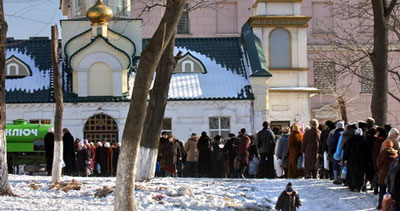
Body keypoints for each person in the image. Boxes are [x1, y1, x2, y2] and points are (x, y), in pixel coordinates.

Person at [376, 141, 398, 209]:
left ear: (385, 145)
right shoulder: (395, 153)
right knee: (390, 192)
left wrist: (381, 169)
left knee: (382, 191)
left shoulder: (383, 153)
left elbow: (379, 163)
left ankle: (380, 205)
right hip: (392, 176)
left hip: (383, 174)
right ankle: (388, 206)